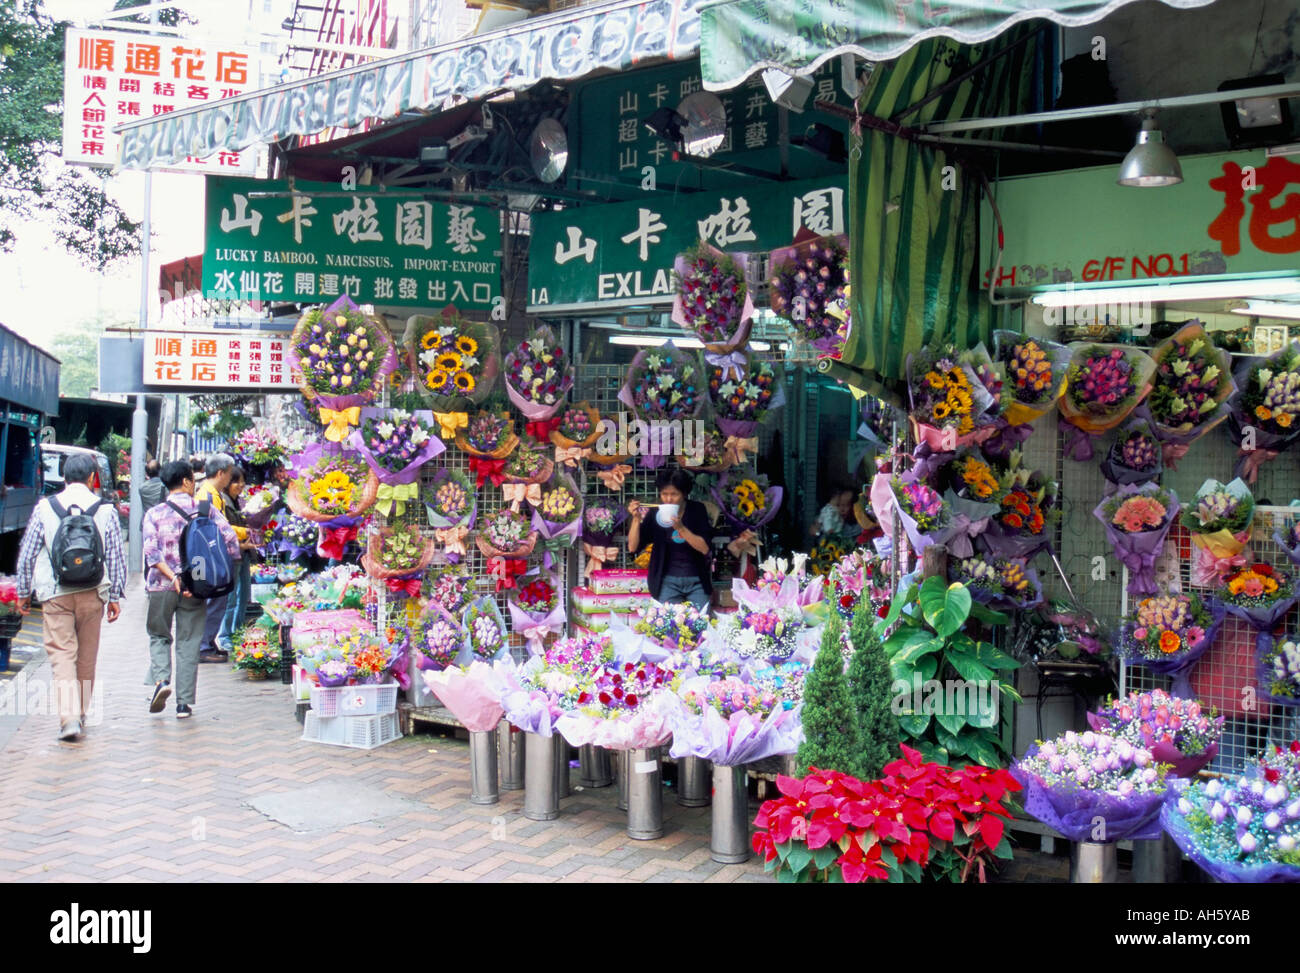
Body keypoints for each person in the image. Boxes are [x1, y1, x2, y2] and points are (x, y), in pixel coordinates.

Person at [15, 452, 127, 742]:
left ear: (64, 478)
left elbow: (27, 554)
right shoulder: (105, 509)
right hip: (93, 593)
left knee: (63, 655)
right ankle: (82, 712)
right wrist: (115, 595)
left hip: (55, 594)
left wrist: (24, 593)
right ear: (92, 478)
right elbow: (115, 556)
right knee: (87, 657)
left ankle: (69, 719)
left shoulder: (45, 508)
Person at [142, 460, 240, 720]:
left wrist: (173, 575)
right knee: (188, 642)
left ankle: (162, 681)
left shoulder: (154, 513)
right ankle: (184, 704)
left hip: (161, 585)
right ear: (186, 481)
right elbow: (230, 541)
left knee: (159, 635)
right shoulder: (205, 509)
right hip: (195, 586)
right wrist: (219, 571)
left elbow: (151, 553)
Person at [626, 468, 754, 610]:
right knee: (669, 625)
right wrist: (636, 520)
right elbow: (632, 547)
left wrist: (681, 528)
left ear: (684, 493)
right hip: (667, 581)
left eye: (674, 494)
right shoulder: (656, 513)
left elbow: (704, 548)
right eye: (664, 494)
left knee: (701, 623)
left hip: (696, 580)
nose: (668, 499)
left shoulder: (697, 510)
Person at [196, 453, 244, 663]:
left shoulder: (212, 493)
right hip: (213, 556)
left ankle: (208, 642)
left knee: (217, 601)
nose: (231, 479)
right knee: (215, 600)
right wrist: (244, 533)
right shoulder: (207, 496)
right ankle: (204, 646)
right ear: (221, 473)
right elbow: (211, 527)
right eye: (230, 474)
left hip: (214, 554)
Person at [216, 466, 258, 653]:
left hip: (243, 554)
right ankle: (225, 636)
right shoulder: (222, 502)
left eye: (242, 481)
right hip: (233, 555)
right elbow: (224, 530)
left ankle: (237, 632)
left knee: (243, 597)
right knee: (232, 598)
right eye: (236, 481)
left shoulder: (238, 501)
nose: (240, 485)